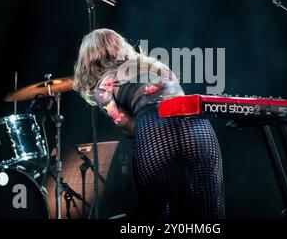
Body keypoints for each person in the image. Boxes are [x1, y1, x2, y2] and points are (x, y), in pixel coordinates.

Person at [73, 28, 225, 219]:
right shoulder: (152, 65)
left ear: (88, 61)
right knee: (208, 214)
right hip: (196, 126)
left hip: (155, 129)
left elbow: (130, 126)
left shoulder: (103, 85)